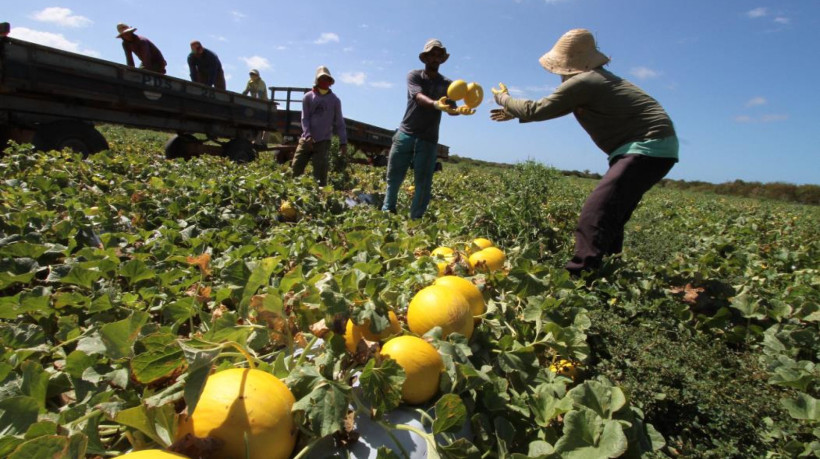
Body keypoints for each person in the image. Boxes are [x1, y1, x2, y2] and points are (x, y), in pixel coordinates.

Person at [490, 29, 679, 276]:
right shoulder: (596, 80)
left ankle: (578, 276)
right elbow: (551, 108)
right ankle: (607, 271)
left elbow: (536, 109)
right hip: (656, 148)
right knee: (612, 211)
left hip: (646, 145)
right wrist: (516, 113)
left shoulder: (587, 80)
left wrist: (503, 99)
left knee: (596, 211)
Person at [381, 39, 470, 219]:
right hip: (406, 133)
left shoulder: (448, 84)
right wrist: (437, 104)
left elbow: (451, 108)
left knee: (423, 182)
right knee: (394, 176)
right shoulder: (414, 76)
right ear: (425, 58)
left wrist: (460, 110)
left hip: (428, 138)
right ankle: (387, 213)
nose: (435, 58)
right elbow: (418, 97)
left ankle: (416, 220)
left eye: (439, 55)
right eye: (432, 54)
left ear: (442, 59)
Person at [291, 66, 348, 186]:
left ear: (330, 82)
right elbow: (304, 118)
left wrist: (343, 142)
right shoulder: (308, 97)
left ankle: (319, 197)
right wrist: (308, 135)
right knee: (296, 167)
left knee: (320, 174)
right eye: (322, 78)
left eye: (327, 79)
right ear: (317, 80)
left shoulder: (335, 100)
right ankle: (293, 192)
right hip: (307, 139)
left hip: (323, 141)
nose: (324, 81)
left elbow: (340, 123)